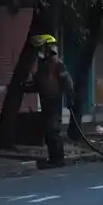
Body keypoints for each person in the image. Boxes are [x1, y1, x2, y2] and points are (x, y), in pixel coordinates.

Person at [24, 34, 75, 169]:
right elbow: (40, 84)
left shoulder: (57, 64)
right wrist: (24, 88)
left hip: (54, 101)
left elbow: (67, 82)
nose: (39, 52)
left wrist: (70, 100)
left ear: (48, 48)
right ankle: (53, 158)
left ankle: (58, 159)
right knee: (48, 131)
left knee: (53, 131)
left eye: (41, 48)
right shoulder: (44, 65)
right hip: (45, 100)